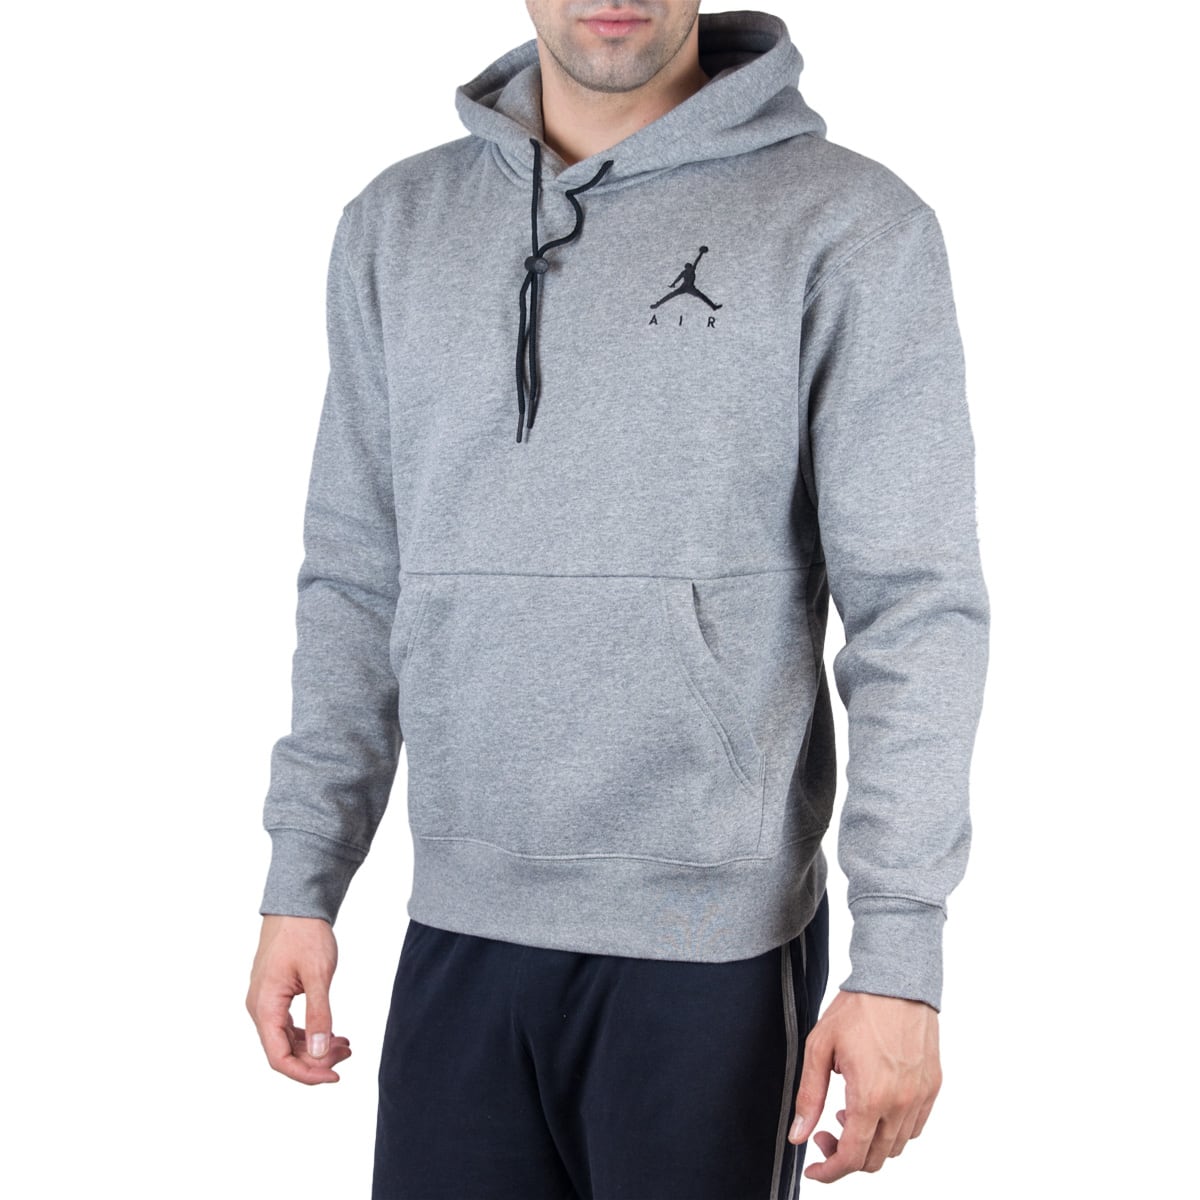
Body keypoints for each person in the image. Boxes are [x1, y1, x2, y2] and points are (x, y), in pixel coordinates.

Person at [244, 3, 990, 1196]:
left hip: (710, 954)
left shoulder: (848, 223)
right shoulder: (397, 224)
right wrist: (305, 874)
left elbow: (916, 610)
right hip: (459, 929)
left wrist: (898, 956)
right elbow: (354, 574)